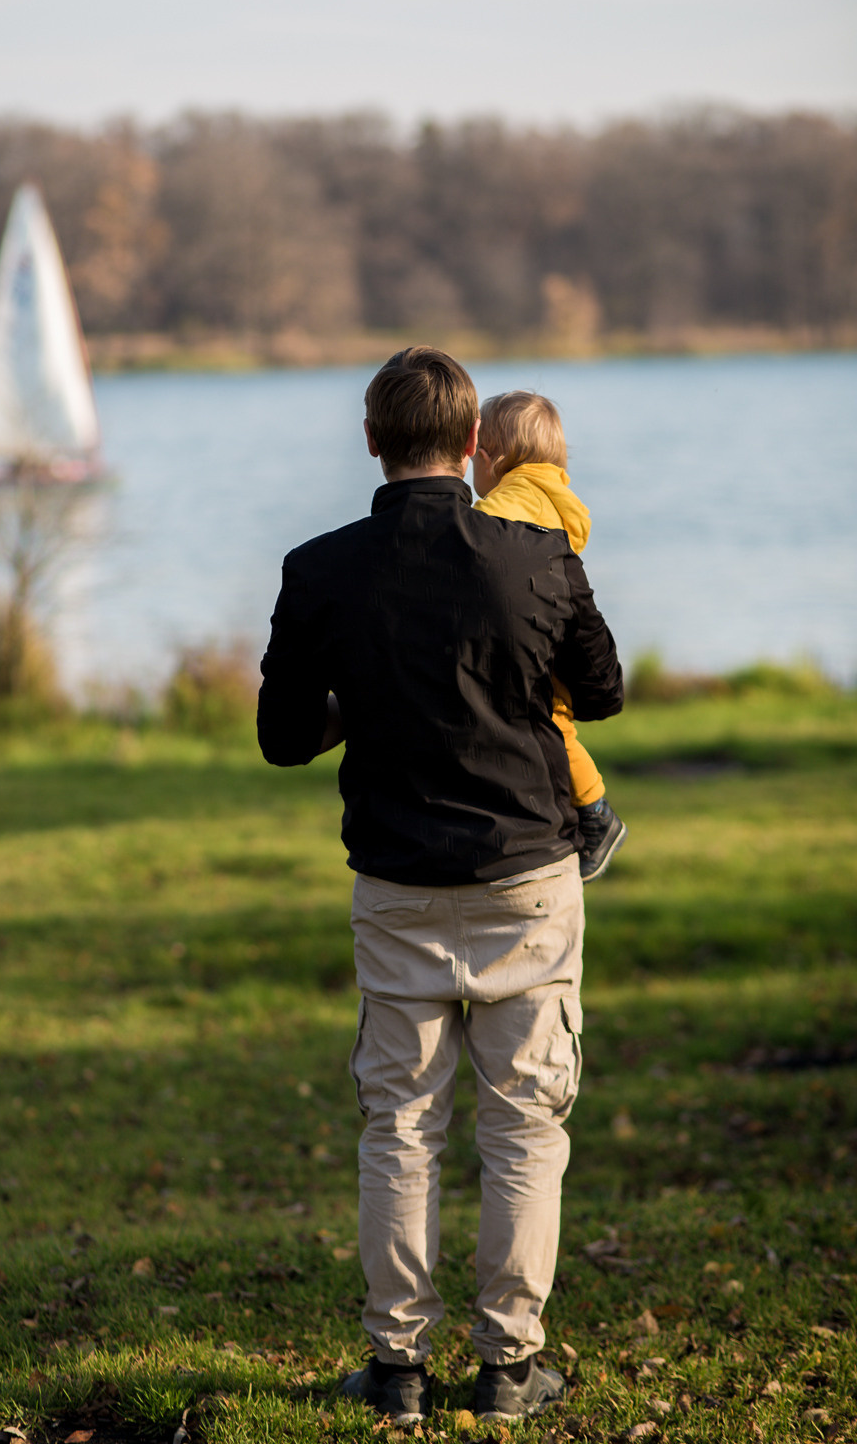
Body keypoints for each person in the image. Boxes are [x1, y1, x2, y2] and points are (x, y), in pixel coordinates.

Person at [257, 347, 623, 1427]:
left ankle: (397, 1371)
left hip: (396, 885)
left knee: (400, 1128)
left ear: (371, 441)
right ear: (473, 445)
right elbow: (597, 692)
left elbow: (284, 737)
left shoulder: (317, 566)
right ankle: (508, 1368)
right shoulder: (535, 554)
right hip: (527, 880)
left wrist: (362, 710)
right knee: (521, 1129)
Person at [472, 390, 627, 882]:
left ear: (490, 458)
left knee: (553, 722)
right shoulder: (554, 494)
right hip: (554, 623)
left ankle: (597, 812)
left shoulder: (508, 501)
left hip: (533, 631)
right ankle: (593, 809)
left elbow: (483, 544)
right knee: (556, 717)